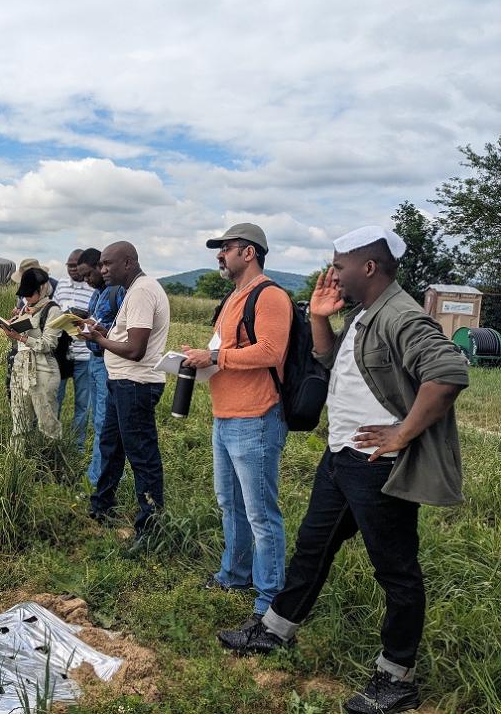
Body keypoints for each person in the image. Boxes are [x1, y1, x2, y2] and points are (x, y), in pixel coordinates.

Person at [218, 226, 469, 714]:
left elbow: (448, 372)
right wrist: (317, 318)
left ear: (368, 267)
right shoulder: (365, 314)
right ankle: (276, 629)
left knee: (396, 570)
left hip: (378, 466)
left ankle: (397, 677)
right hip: (341, 458)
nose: (332, 272)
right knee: (313, 547)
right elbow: (335, 362)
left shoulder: (401, 315)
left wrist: (401, 433)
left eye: (340, 264)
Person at [181, 223, 292, 621]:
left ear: (249, 253)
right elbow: (222, 348)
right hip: (225, 416)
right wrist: (201, 354)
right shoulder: (233, 298)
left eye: (226, 248)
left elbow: (270, 351)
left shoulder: (271, 296)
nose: (219, 255)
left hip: (257, 417)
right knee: (230, 504)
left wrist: (214, 358)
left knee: (261, 512)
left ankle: (269, 600)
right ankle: (235, 574)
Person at [85, 242, 170, 550]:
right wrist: (100, 335)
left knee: (142, 455)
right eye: (101, 264)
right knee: (111, 445)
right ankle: (101, 507)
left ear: (129, 262)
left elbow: (135, 350)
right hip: (122, 383)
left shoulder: (142, 291)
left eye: (108, 264)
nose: (102, 269)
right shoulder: (134, 291)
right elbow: (126, 338)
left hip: (135, 384)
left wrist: (98, 340)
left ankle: (150, 528)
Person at [74, 248, 124, 486]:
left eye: (88, 275)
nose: (86, 280)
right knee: (98, 419)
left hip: (108, 363)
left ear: (99, 267)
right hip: (94, 360)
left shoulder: (117, 292)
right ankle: (100, 472)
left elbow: (118, 329)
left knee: (105, 421)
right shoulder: (97, 294)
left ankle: (100, 480)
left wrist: (94, 331)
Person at [4, 268, 64, 449]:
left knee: (47, 422)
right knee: (19, 421)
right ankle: (17, 464)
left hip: (43, 368)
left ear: (43, 288)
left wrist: (21, 337)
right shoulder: (24, 307)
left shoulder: (53, 310)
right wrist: (13, 324)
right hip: (20, 367)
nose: (27, 298)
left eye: (30, 294)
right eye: (24, 294)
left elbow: (48, 344)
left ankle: (52, 464)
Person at [53, 249, 97, 449]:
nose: (72, 269)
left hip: (84, 353)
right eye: (68, 265)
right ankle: (53, 439)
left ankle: (77, 445)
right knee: (56, 398)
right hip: (61, 352)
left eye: (75, 266)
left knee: (82, 403)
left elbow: (98, 319)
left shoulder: (93, 287)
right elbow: (53, 310)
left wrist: (83, 315)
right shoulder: (61, 285)